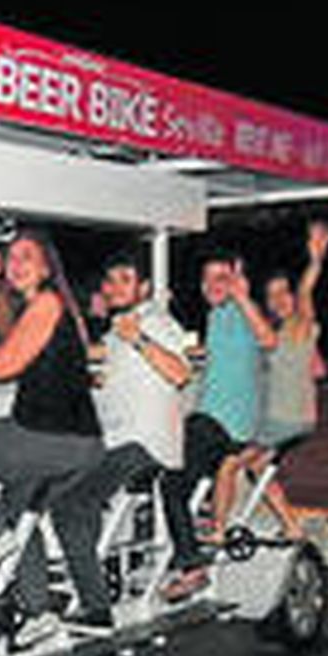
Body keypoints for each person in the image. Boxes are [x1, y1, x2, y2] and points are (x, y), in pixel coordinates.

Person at [0, 231, 104, 647]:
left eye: (26, 257)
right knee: (16, 507)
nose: (16, 264)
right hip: (72, 443)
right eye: (11, 257)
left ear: (45, 267)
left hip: (54, 439)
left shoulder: (47, 303)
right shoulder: (44, 304)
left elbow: (4, 362)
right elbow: (9, 335)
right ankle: (38, 612)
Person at [75, 252, 210, 607]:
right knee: (65, 472)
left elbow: (181, 373)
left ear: (144, 287)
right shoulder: (122, 327)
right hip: (121, 439)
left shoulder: (154, 321)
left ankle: (92, 601)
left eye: (125, 279)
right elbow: (112, 370)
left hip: (143, 444)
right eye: (111, 280)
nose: (115, 287)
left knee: (71, 502)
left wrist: (139, 340)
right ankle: (100, 568)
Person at [169, 252, 277, 550]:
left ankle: (187, 557)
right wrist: (198, 354)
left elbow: (268, 340)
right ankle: (217, 529)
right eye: (207, 279)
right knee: (222, 470)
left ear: (236, 281)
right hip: (229, 421)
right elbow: (233, 352)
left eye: (221, 278)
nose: (212, 285)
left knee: (169, 480)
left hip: (221, 419)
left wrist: (242, 297)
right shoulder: (216, 315)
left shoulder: (240, 309)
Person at [240, 221, 328, 540]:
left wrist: (315, 260)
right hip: (291, 418)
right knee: (254, 466)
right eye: (271, 295)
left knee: (228, 462)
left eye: (283, 292)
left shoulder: (300, 325)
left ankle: (223, 525)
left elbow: (307, 291)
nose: (278, 300)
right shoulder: (275, 333)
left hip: (285, 418)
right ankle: (290, 525)